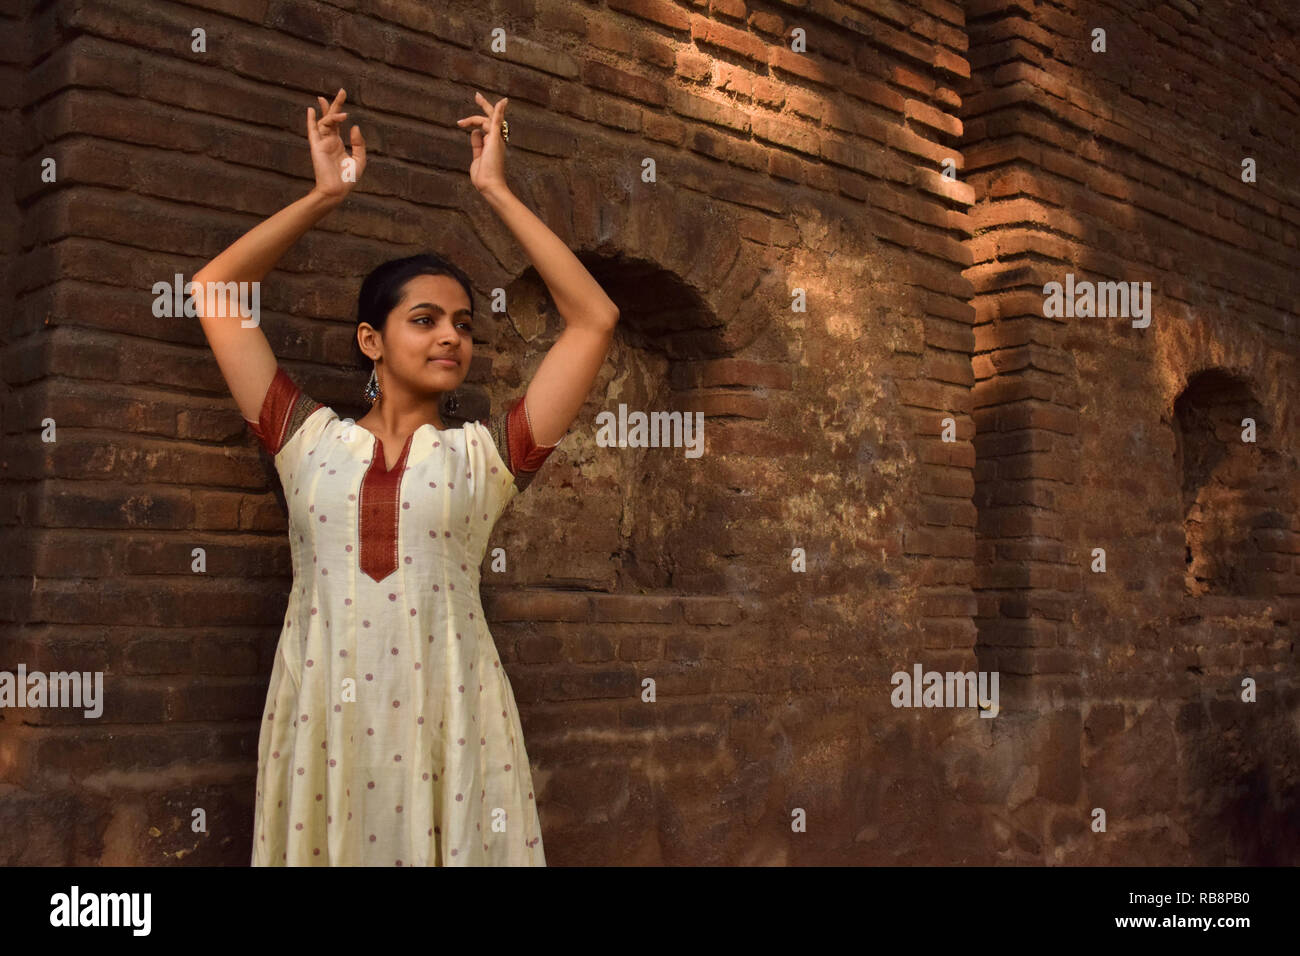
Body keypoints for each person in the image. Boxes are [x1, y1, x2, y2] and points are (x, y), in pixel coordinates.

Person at [193, 88, 619, 865]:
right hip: (326, 720)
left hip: (451, 721)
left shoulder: (485, 459)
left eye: (463, 323)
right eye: (424, 319)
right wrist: (324, 196)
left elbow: (593, 319)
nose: (450, 336)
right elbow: (215, 294)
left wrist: (495, 189)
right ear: (371, 339)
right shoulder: (305, 441)